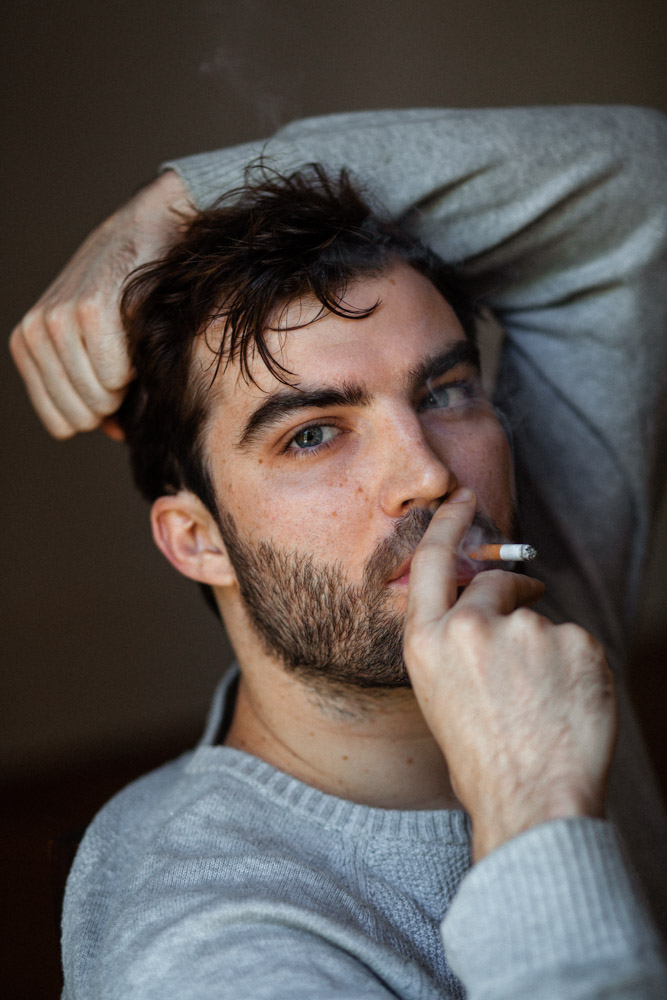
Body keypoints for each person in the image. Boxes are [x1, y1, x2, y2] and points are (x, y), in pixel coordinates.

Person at [11, 107, 667, 997]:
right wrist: (533, 807)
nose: (428, 476)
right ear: (198, 541)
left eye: (444, 392)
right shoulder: (209, 953)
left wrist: (178, 201)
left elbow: (639, 181)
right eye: (313, 434)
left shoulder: (532, 603)